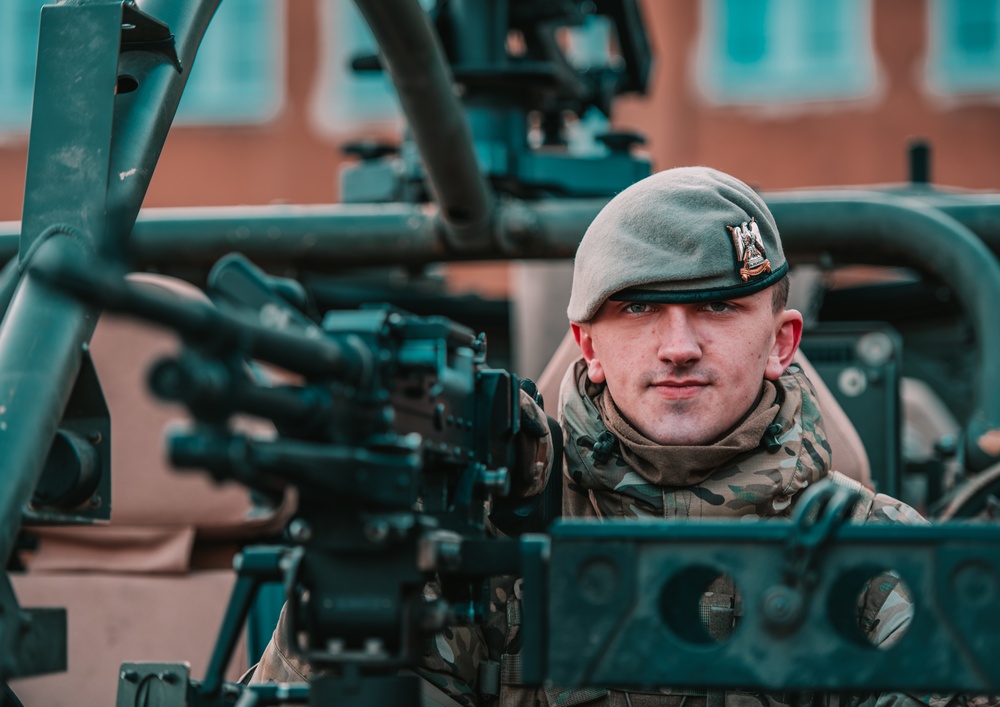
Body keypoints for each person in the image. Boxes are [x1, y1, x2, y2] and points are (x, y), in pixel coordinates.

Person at [249, 167, 932, 707]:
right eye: (639, 308)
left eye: (717, 306)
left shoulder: (886, 559)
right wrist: (367, 557)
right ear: (587, 347)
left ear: (782, 341)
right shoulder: (480, 549)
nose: (678, 347)